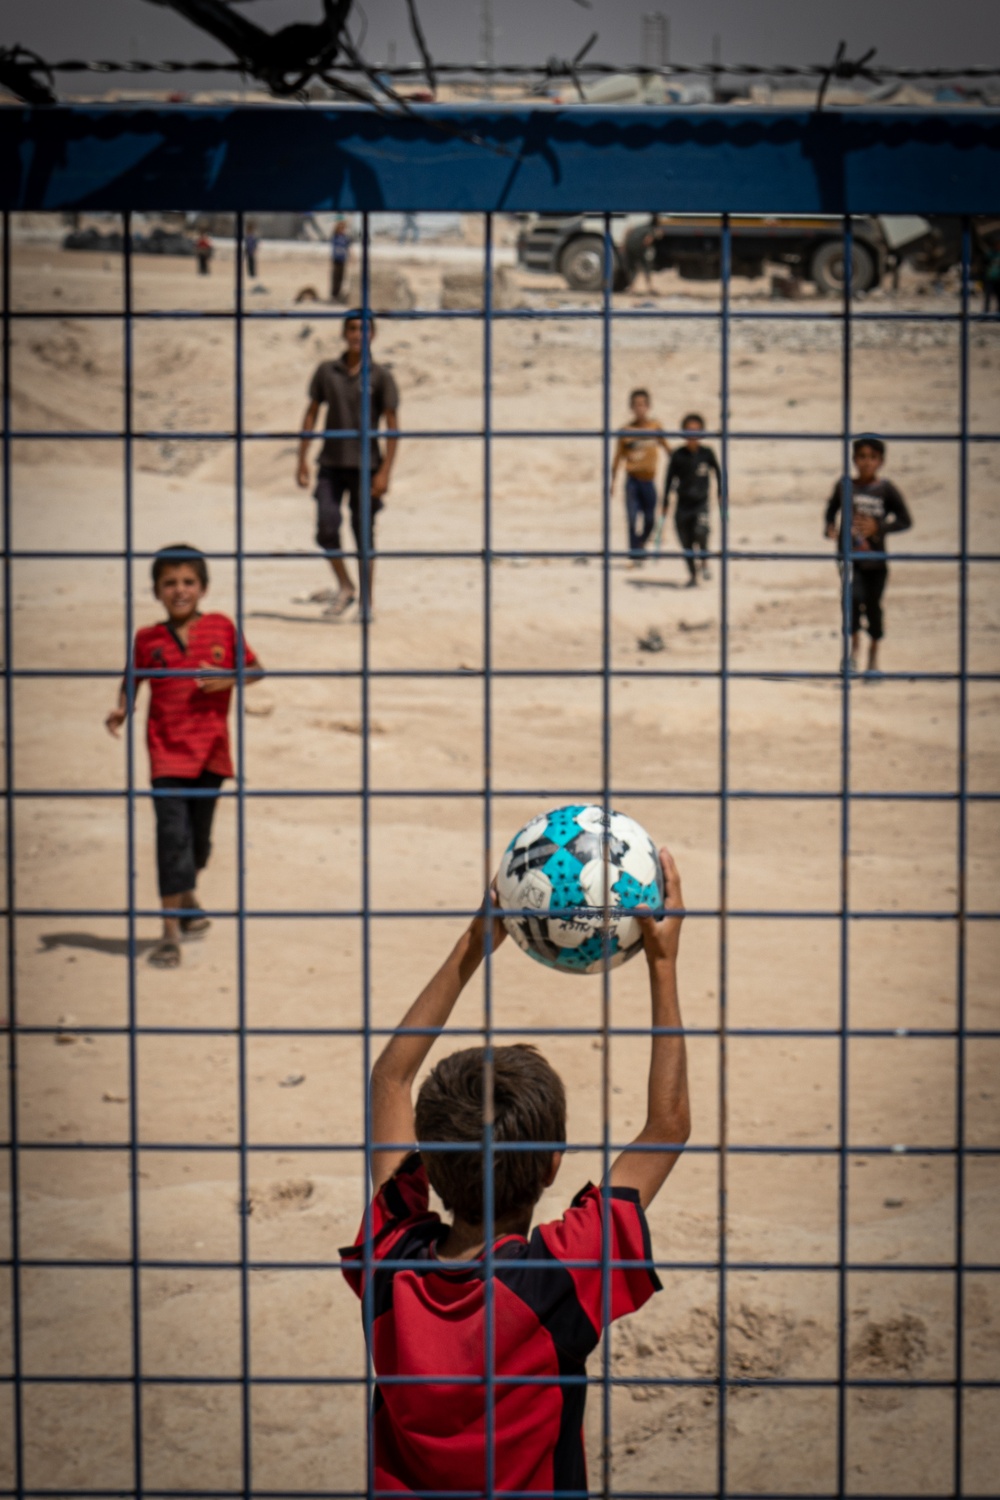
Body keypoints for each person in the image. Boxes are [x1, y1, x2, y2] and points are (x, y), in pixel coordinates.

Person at [341, 848, 690, 1495]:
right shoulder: (559, 1278)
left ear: (430, 1163)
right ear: (554, 1165)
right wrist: (662, 966)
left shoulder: (389, 1261)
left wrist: (475, 942)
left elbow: (389, 1077)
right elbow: (667, 1128)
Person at [104, 545, 263, 968]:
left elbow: (255, 669)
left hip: (211, 754)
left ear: (203, 587)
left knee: (200, 842)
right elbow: (131, 680)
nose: (179, 590)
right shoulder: (148, 639)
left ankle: (188, 893)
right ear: (156, 590)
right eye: (169, 583)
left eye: (188, 582)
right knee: (171, 839)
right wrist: (123, 707)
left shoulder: (222, 628)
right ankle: (170, 932)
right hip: (166, 755)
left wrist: (227, 679)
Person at [296, 312, 399, 622]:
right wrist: (301, 458)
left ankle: (367, 601)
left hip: (366, 467)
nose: (358, 334)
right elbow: (312, 413)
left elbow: (392, 426)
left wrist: (385, 472)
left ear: (373, 335)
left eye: (364, 329)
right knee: (326, 528)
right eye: (353, 328)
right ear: (344, 333)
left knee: (363, 534)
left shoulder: (380, 377)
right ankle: (345, 585)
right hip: (330, 463)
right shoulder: (327, 372)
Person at [824, 436, 912, 677]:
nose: (866, 462)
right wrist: (830, 526)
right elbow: (831, 508)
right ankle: (853, 651)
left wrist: (878, 527)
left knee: (873, 606)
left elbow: (905, 520)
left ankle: (873, 656)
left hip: (876, 560)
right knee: (851, 601)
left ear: (880, 461)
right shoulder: (845, 486)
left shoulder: (885, 489)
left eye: (872, 458)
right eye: (862, 457)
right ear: (854, 459)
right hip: (850, 558)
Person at [611, 388, 671, 562]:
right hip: (632, 481)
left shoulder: (655, 428)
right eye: (636, 405)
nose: (640, 408)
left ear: (648, 406)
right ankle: (634, 555)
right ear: (631, 407)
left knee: (650, 519)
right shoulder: (626, 431)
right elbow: (617, 458)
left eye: (643, 404)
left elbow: (667, 448)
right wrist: (613, 482)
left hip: (649, 481)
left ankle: (640, 546)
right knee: (631, 518)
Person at [662, 413, 722, 586]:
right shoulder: (678, 455)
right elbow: (668, 479)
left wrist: (721, 492)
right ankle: (693, 575)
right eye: (688, 430)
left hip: (700, 503)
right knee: (686, 542)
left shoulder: (707, 453)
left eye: (696, 431)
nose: (692, 435)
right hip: (682, 505)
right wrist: (665, 502)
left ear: (702, 433)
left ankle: (704, 563)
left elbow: (718, 473)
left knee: (701, 532)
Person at [330, 220, 352, 303]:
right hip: (336, 259)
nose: (343, 229)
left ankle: (338, 294)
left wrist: (351, 257)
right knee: (335, 277)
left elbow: (348, 248)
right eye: (341, 228)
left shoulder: (345, 237)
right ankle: (334, 295)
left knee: (341, 278)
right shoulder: (335, 236)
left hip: (342, 259)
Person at [984, 241, 1000, 315]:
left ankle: (998, 313)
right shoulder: (990, 254)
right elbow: (984, 263)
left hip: (998, 279)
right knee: (988, 297)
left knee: (998, 297)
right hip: (990, 278)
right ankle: (986, 313)